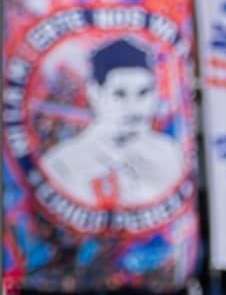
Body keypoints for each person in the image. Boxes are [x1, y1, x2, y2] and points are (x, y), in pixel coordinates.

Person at [40, 38, 183, 208]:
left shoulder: (171, 157)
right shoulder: (61, 164)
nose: (133, 107)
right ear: (94, 93)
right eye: (119, 94)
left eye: (143, 92)